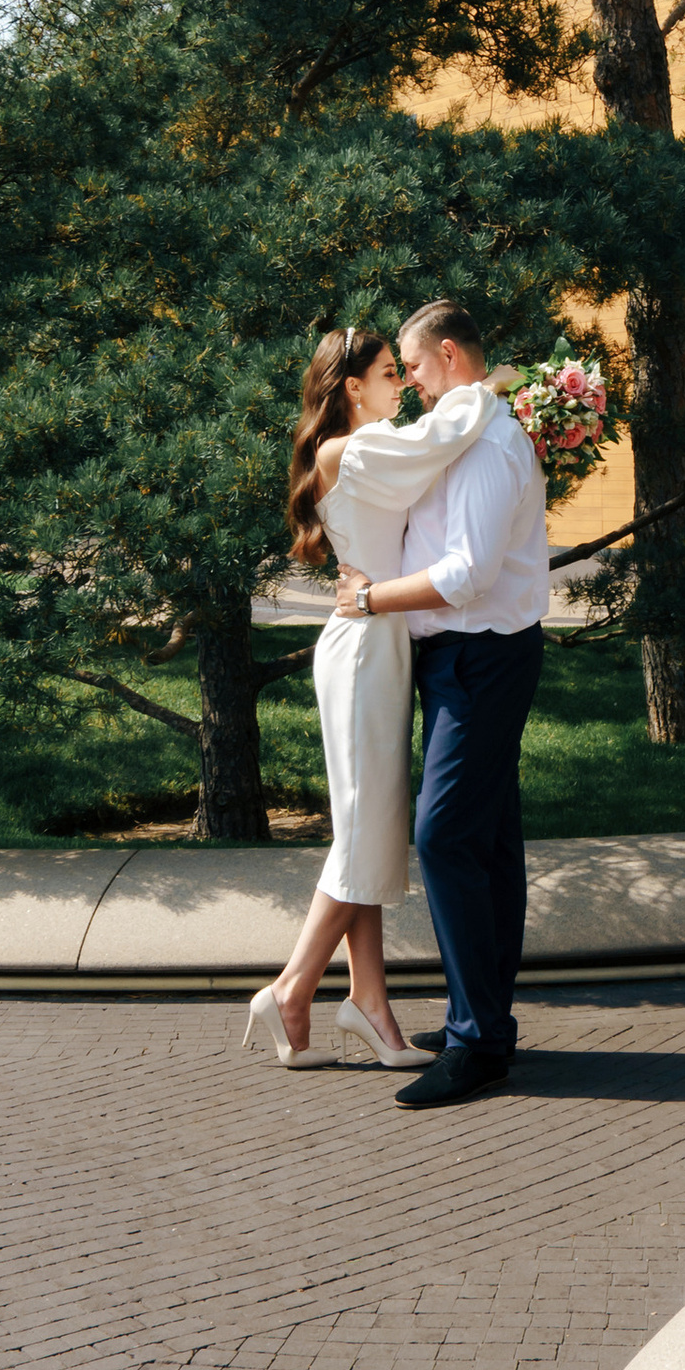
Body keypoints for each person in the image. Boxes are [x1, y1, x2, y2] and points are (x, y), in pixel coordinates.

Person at [240, 326, 497, 1071]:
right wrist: (491, 387)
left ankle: (369, 1002)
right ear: (352, 387)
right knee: (362, 834)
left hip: (380, 641)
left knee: (368, 827)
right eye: (389, 372)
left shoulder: (369, 446)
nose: (401, 384)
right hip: (360, 649)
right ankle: (291, 990)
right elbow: (440, 439)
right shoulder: (348, 450)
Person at [335, 297, 551, 1110]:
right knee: (487, 841)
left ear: (450, 355)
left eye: (417, 366)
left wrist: (369, 600)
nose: (412, 383)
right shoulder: (467, 430)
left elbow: (468, 574)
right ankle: (484, 1021)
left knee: (446, 834)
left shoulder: (488, 446)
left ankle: (477, 1044)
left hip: (484, 658)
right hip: (460, 660)